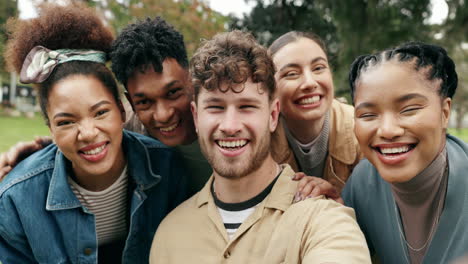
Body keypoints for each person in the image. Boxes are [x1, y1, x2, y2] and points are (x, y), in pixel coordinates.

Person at [0, 17, 339, 202]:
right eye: (144, 102)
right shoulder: (131, 135)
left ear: (191, 78)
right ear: (129, 104)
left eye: (173, 92)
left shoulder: (250, 119)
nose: (162, 114)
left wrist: (317, 185)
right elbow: (86, 129)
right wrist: (39, 151)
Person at [149, 30, 371, 264]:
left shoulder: (324, 222)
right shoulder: (168, 235)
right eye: (215, 107)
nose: (230, 126)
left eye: (246, 106)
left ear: (273, 115)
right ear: (196, 117)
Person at [0, 3, 187, 263]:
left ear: (123, 111)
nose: (87, 133)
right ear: (49, 127)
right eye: (66, 122)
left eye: (100, 113)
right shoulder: (15, 201)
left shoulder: (169, 170)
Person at [342, 42, 468, 263]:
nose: (388, 130)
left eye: (409, 110)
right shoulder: (362, 184)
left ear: (444, 112)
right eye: (368, 115)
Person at [269, 31, 361, 192]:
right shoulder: (261, 141)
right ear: (270, 89)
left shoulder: (362, 130)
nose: (310, 83)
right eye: (291, 74)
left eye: (318, 68)